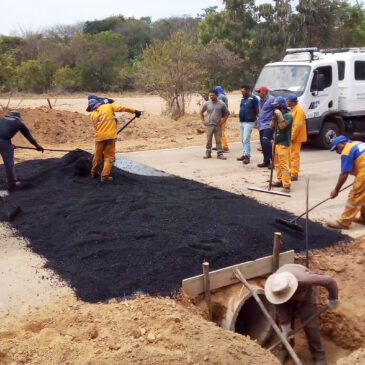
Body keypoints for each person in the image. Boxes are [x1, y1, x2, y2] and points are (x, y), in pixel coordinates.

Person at [265, 263, 340, 365]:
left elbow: (329, 281)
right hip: (283, 294)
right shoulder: (274, 289)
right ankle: (285, 350)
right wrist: (285, 327)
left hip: (306, 294)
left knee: (310, 326)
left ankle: (318, 354)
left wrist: (333, 298)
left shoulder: (304, 280)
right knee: (284, 327)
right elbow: (281, 311)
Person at [87, 95, 142, 182]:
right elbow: (122, 108)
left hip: (99, 138)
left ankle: (94, 173)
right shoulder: (108, 106)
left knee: (97, 156)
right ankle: (104, 177)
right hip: (110, 136)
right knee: (109, 157)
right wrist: (135, 111)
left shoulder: (92, 114)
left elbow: (96, 128)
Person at [327, 135, 365, 229]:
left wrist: (336, 190)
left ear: (342, 143)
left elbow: (344, 174)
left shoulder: (346, 151)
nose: (337, 152)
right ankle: (364, 218)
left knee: (355, 195)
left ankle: (344, 222)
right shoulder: (357, 143)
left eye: (337, 148)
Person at [0, 110, 44, 190]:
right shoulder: (19, 124)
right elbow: (28, 136)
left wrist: (9, 146)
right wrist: (37, 146)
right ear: (18, 118)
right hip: (4, 141)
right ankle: (12, 182)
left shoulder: (1, 119)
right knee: (9, 161)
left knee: (8, 147)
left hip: (5, 142)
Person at [270, 96, 293, 193]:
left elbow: (282, 126)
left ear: (281, 106)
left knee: (284, 165)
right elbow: (271, 127)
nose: (275, 108)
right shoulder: (276, 114)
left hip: (284, 143)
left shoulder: (288, 115)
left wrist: (279, 116)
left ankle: (286, 184)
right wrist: (274, 118)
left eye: (277, 106)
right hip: (276, 142)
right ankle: (279, 180)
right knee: (277, 164)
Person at [200, 90, 230, 160]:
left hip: (218, 125)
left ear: (217, 96)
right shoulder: (206, 104)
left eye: (213, 95)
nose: (211, 97)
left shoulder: (221, 104)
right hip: (209, 125)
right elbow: (201, 112)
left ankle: (220, 154)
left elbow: (227, 113)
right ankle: (208, 153)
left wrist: (224, 119)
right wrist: (203, 121)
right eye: (210, 95)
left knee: (218, 140)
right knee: (208, 140)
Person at [286, 93, 307, 181]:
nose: (286, 102)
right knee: (291, 155)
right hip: (294, 136)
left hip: (296, 137)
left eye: (287, 101)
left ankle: (294, 174)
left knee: (294, 156)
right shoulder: (293, 110)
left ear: (292, 102)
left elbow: (297, 126)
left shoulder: (299, 110)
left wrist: (291, 138)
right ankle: (293, 171)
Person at [236, 85, 259, 164]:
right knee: (243, 139)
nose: (242, 93)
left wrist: (253, 117)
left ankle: (247, 156)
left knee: (246, 139)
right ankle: (244, 153)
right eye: (241, 91)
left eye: (243, 91)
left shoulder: (253, 98)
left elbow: (257, 109)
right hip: (242, 121)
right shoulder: (243, 99)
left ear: (248, 90)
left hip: (249, 122)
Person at [256, 86, 275, 168]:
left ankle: (272, 161)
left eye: (259, 91)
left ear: (264, 91)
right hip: (261, 125)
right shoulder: (261, 100)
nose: (258, 93)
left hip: (268, 124)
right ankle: (266, 161)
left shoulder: (272, 99)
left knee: (267, 142)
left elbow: (277, 109)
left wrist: (274, 120)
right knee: (263, 143)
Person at [214, 86, 229, 152]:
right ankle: (219, 145)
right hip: (224, 116)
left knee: (221, 132)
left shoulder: (220, 97)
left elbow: (219, 106)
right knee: (219, 131)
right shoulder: (224, 96)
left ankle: (225, 146)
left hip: (221, 116)